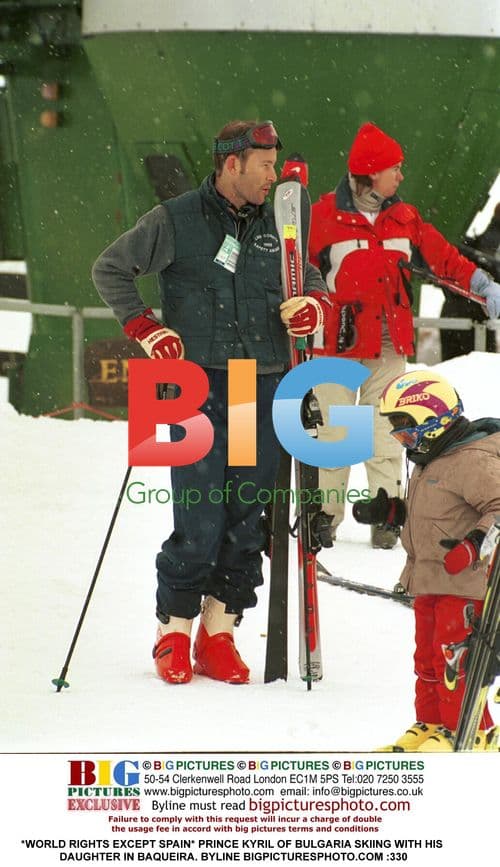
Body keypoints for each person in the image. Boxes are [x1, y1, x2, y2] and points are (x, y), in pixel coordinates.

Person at [92, 120, 329, 686]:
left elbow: (311, 278)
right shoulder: (175, 219)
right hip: (192, 386)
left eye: (275, 165)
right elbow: (110, 269)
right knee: (198, 515)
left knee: (246, 518)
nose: (274, 176)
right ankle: (173, 631)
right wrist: (145, 328)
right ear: (232, 165)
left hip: (258, 382)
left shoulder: (280, 224)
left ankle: (218, 633)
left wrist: (313, 307)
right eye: (265, 165)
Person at [308, 122, 500, 549]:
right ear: (371, 172)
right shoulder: (321, 217)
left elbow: (445, 260)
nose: (401, 175)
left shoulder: (405, 218)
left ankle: (386, 517)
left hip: (388, 347)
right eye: (394, 168)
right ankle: (324, 519)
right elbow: (298, 274)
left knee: (388, 432)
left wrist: (483, 286)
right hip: (335, 349)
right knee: (336, 436)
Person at [353, 369, 500, 751]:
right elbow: (438, 511)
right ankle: (431, 722)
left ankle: (469, 730)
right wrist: (391, 512)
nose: (401, 440)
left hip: (465, 583)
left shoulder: (473, 459)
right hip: (428, 579)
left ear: (434, 422)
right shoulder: (430, 458)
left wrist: (473, 546)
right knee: (428, 659)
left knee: (455, 661)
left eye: (406, 432)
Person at [440, 204, 500, 360]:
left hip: (453, 311)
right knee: (480, 366)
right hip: (476, 315)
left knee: (452, 368)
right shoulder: (490, 242)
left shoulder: (480, 242)